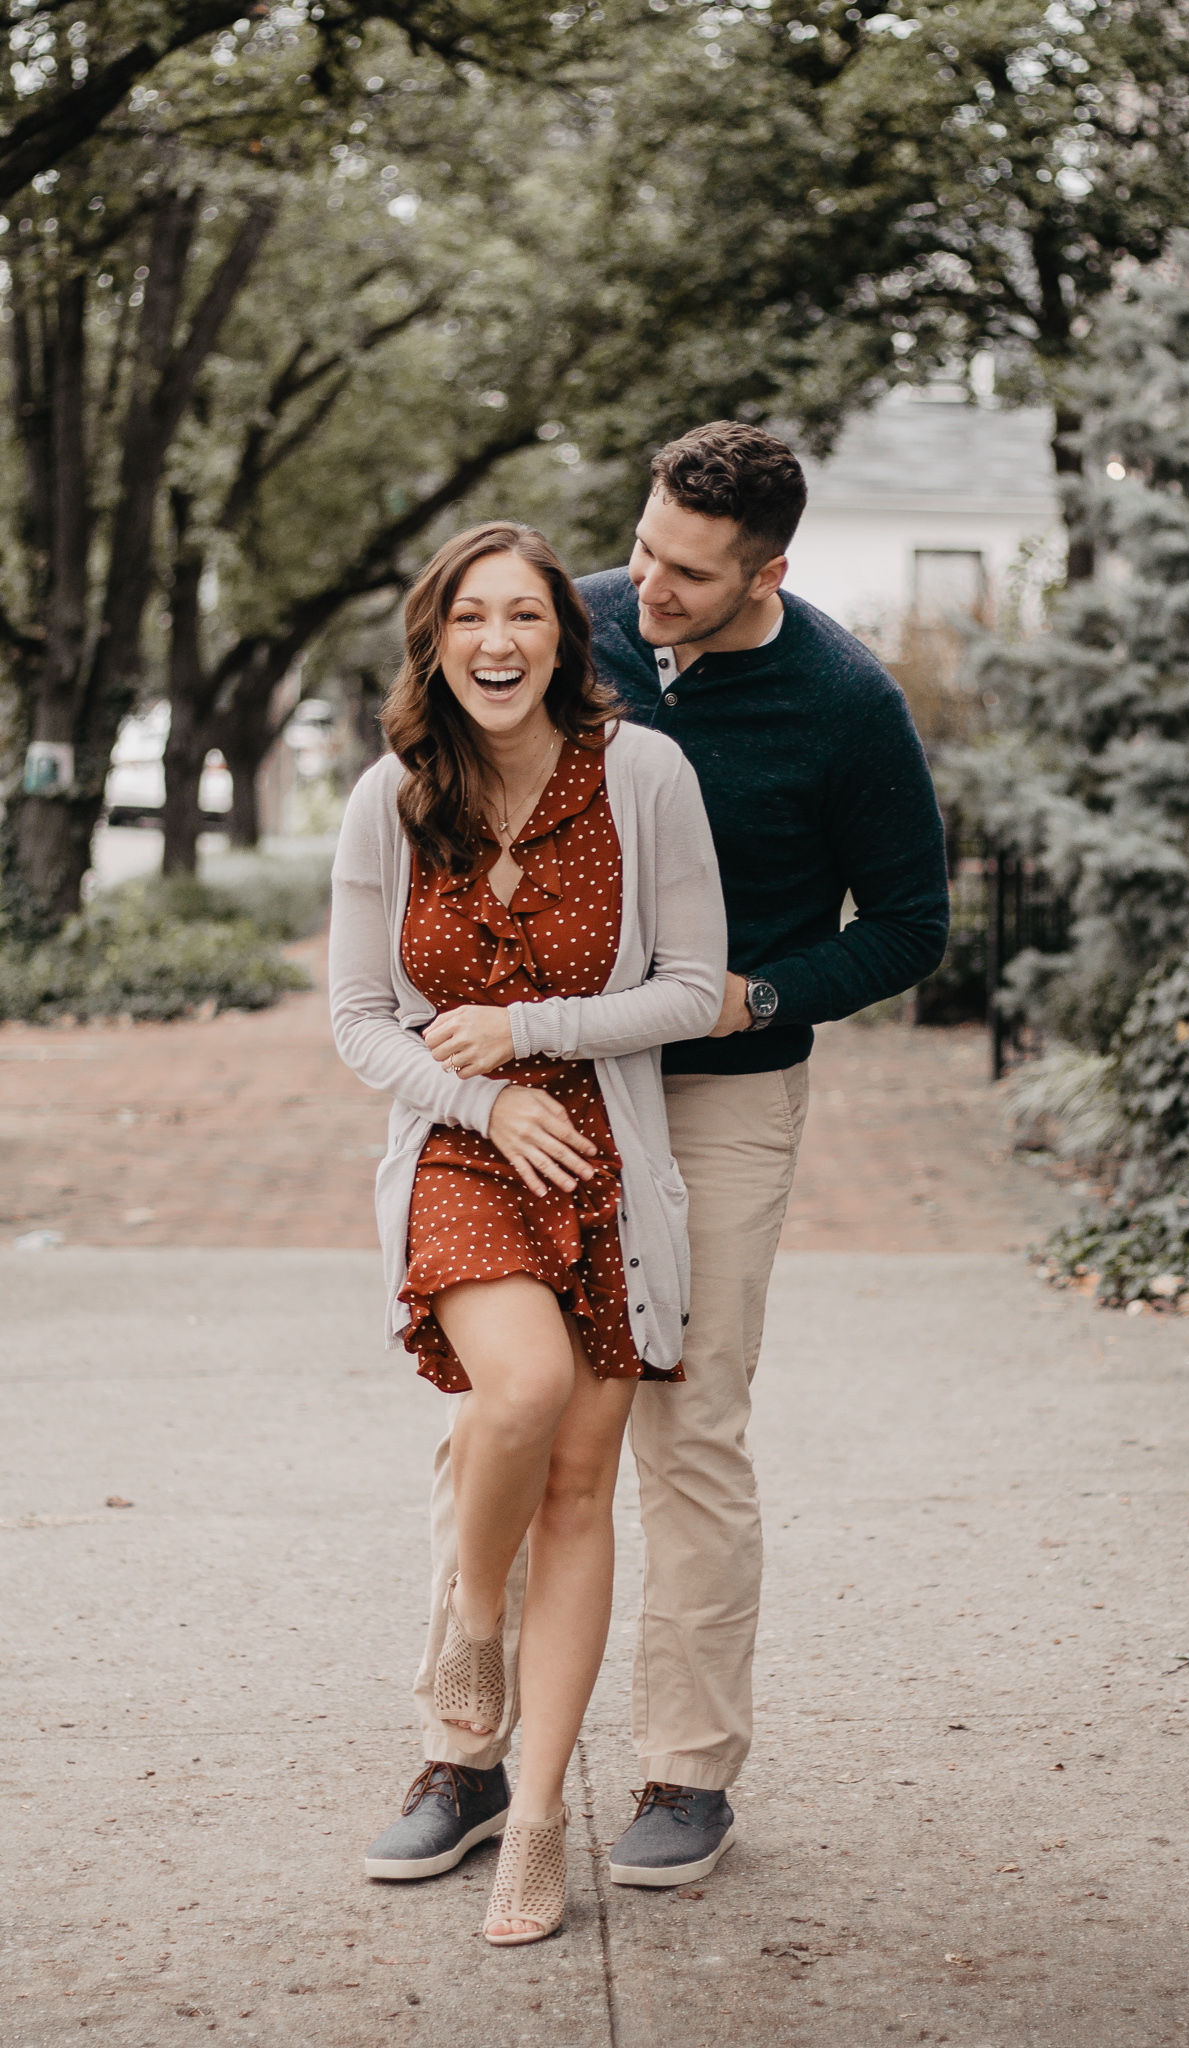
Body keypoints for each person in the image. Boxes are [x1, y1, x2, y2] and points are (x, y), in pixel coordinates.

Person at [369, 420, 950, 1894]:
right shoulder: (574, 627)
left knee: (688, 1427)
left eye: (688, 573)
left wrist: (752, 995)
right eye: (639, 551)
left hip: (719, 1089)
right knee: (504, 1410)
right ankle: (465, 1745)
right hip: (545, 1090)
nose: (647, 589)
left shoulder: (842, 700)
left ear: (769, 569)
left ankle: (685, 1770)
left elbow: (906, 925)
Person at [330, 520, 727, 1943]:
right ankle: (472, 1642)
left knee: (579, 1491)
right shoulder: (391, 796)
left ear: (566, 638)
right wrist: (480, 1099)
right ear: (435, 641)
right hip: (460, 1145)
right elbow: (355, 1021)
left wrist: (534, 1030)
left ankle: (538, 1815)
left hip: (607, 1156)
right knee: (525, 1390)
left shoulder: (643, 778)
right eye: (467, 618)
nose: (495, 644)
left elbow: (691, 986)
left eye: (524, 618)